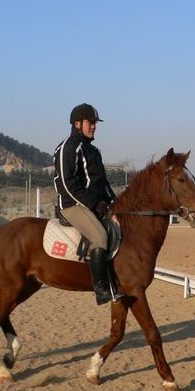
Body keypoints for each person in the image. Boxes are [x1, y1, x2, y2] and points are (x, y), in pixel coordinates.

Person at [53, 103, 124, 305]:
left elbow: (102, 183)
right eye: (90, 122)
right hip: (72, 206)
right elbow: (68, 184)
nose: (93, 126)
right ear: (77, 123)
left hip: (93, 205)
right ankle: (101, 289)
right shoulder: (67, 147)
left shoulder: (94, 151)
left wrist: (115, 203)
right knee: (100, 236)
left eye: (95, 123)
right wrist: (94, 203)